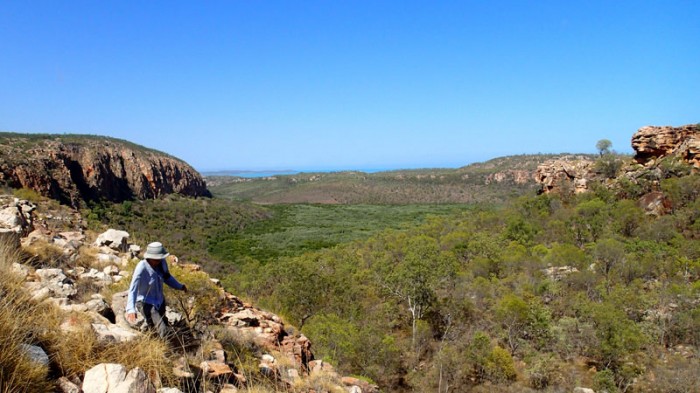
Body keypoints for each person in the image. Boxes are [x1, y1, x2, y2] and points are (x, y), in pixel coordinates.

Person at [125, 241, 187, 339]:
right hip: (146, 302)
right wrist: (130, 309)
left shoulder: (162, 264)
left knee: (162, 324)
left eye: (160, 258)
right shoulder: (142, 267)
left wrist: (180, 286)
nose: (158, 261)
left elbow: (167, 278)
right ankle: (166, 351)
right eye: (156, 259)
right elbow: (133, 287)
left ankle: (156, 344)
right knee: (163, 329)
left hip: (159, 301)